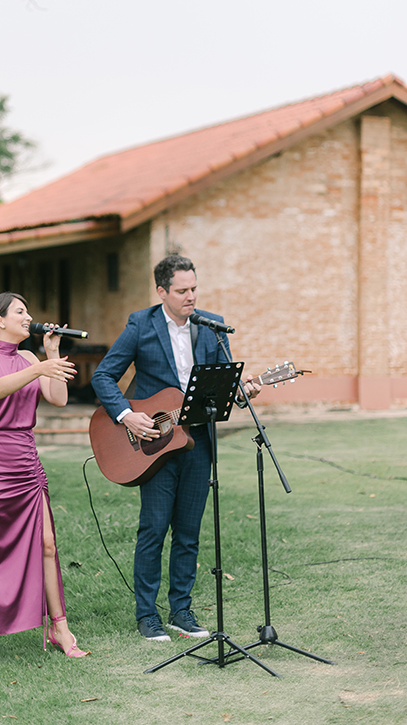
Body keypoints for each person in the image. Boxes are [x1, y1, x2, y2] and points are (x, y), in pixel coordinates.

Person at [91, 255, 261, 642]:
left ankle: (181, 611)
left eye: (194, 288)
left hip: (197, 442)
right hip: (153, 446)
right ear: (162, 291)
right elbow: (103, 376)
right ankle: (147, 615)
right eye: (182, 291)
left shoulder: (212, 326)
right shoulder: (140, 325)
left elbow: (222, 388)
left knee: (188, 532)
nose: (191, 297)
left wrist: (242, 392)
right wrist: (125, 415)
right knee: (153, 528)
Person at [0, 291, 89, 664]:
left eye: (28, 310)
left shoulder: (31, 357)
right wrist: (38, 369)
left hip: (26, 461)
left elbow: (58, 398)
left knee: (47, 543)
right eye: (20, 311)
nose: (28, 316)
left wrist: (50, 355)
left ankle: (59, 627)